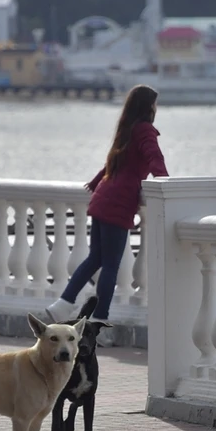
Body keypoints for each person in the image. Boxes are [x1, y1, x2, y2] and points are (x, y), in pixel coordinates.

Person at [45, 84, 169, 347]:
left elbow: (112, 163)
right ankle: (99, 323)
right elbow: (154, 156)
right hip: (119, 202)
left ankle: (62, 305)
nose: (156, 108)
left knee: (95, 258)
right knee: (110, 265)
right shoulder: (144, 129)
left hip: (104, 197)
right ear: (148, 106)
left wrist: (94, 182)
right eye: (155, 104)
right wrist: (165, 181)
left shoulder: (126, 127)